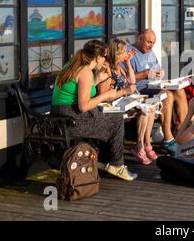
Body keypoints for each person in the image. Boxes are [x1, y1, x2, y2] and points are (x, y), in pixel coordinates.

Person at [51, 40, 137, 181]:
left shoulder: (72, 65)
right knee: (116, 119)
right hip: (70, 120)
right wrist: (105, 95)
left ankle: (103, 160)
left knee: (109, 116)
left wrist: (97, 80)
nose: (105, 60)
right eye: (104, 57)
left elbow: (79, 91)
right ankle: (116, 164)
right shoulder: (85, 72)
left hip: (59, 115)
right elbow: (83, 106)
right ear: (98, 58)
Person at [97, 39, 158, 165]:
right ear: (117, 53)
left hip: (124, 101)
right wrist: (124, 91)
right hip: (113, 105)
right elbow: (103, 96)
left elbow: (132, 81)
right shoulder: (106, 68)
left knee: (150, 107)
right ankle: (139, 147)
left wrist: (128, 62)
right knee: (144, 111)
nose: (126, 53)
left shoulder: (119, 66)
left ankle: (146, 144)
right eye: (124, 52)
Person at [129, 29, 188, 156]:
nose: (151, 46)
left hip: (153, 85)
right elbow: (125, 78)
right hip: (139, 90)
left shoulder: (150, 52)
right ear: (139, 39)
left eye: (153, 43)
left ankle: (182, 132)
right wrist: (145, 74)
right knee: (167, 94)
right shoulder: (130, 53)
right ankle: (167, 138)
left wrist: (161, 73)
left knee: (179, 90)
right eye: (149, 42)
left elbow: (158, 69)